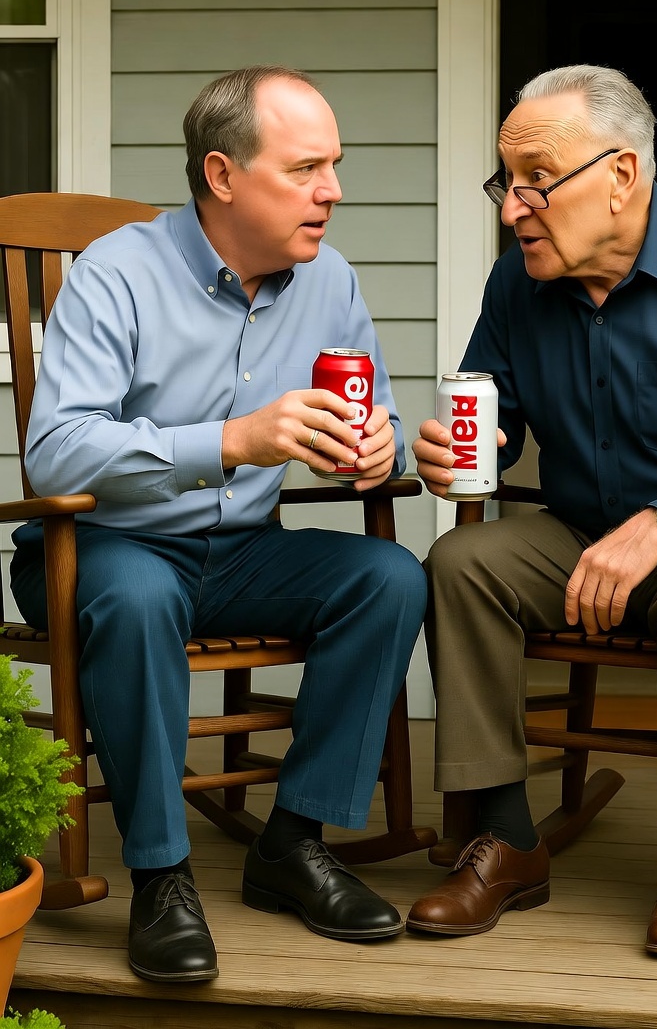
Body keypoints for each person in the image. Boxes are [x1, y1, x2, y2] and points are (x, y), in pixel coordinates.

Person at [10, 65, 427, 981]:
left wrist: (376, 451)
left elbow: (385, 424)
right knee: (138, 595)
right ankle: (161, 875)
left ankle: (293, 842)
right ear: (223, 175)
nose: (334, 190)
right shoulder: (119, 272)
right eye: (307, 168)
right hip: (99, 551)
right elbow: (57, 454)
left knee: (391, 578)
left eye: (336, 166)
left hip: (241, 553)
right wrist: (231, 440)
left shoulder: (334, 283)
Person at [408, 64, 657, 957]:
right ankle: (506, 840)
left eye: (537, 180)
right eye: (508, 184)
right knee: (462, 564)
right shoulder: (516, 287)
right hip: (575, 532)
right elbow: (493, 411)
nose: (513, 208)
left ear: (622, 176)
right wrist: (465, 451)